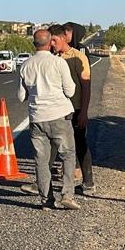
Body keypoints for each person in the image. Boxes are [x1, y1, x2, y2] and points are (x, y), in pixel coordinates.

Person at [18, 29, 80, 210]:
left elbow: (21, 96)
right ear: (49, 43)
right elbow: (70, 91)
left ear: (34, 44)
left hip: (37, 117)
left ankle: (46, 199)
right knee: (67, 155)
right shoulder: (58, 63)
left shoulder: (26, 65)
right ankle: (67, 195)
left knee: (41, 160)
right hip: (59, 115)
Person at [50, 24, 95, 194]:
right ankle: (46, 183)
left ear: (62, 38)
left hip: (75, 109)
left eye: (54, 40)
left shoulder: (79, 57)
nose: (52, 43)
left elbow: (86, 87)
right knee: (54, 145)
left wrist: (84, 111)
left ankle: (88, 182)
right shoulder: (51, 58)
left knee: (80, 144)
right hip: (56, 110)